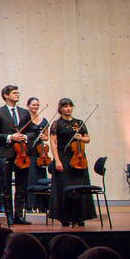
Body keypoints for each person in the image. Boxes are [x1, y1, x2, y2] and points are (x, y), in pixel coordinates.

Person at [48, 98, 96, 226]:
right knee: (64, 189)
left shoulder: (79, 123)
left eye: (70, 106)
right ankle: (65, 217)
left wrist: (82, 138)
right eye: (65, 106)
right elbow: (53, 143)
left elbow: (88, 138)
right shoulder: (56, 124)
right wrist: (57, 160)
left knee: (80, 188)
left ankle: (80, 217)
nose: (68, 108)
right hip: (63, 158)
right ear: (60, 108)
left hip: (79, 158)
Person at [0, 85, 31, 225]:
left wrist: (25, 136)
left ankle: (18, 215)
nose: (17, 94)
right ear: (6, 95)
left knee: (21, 185)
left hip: (22, 153)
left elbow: (32, 131)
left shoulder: (24, 112)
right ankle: (9, 216)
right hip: (6, 153)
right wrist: (10, 137)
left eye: (18, 92)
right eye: (14, 93)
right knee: (6, 186)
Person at [24, 96, 50, 212]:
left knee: (41, 177)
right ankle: (29, 206)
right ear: (28, 106)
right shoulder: (25, 119)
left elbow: (47, 136)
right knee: (30, 178)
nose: (36, 107)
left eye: (37, 105)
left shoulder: (44, 120)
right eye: (33, 105)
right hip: (29, 152)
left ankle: (42, 206)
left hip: (41, 154)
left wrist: (44, 137)